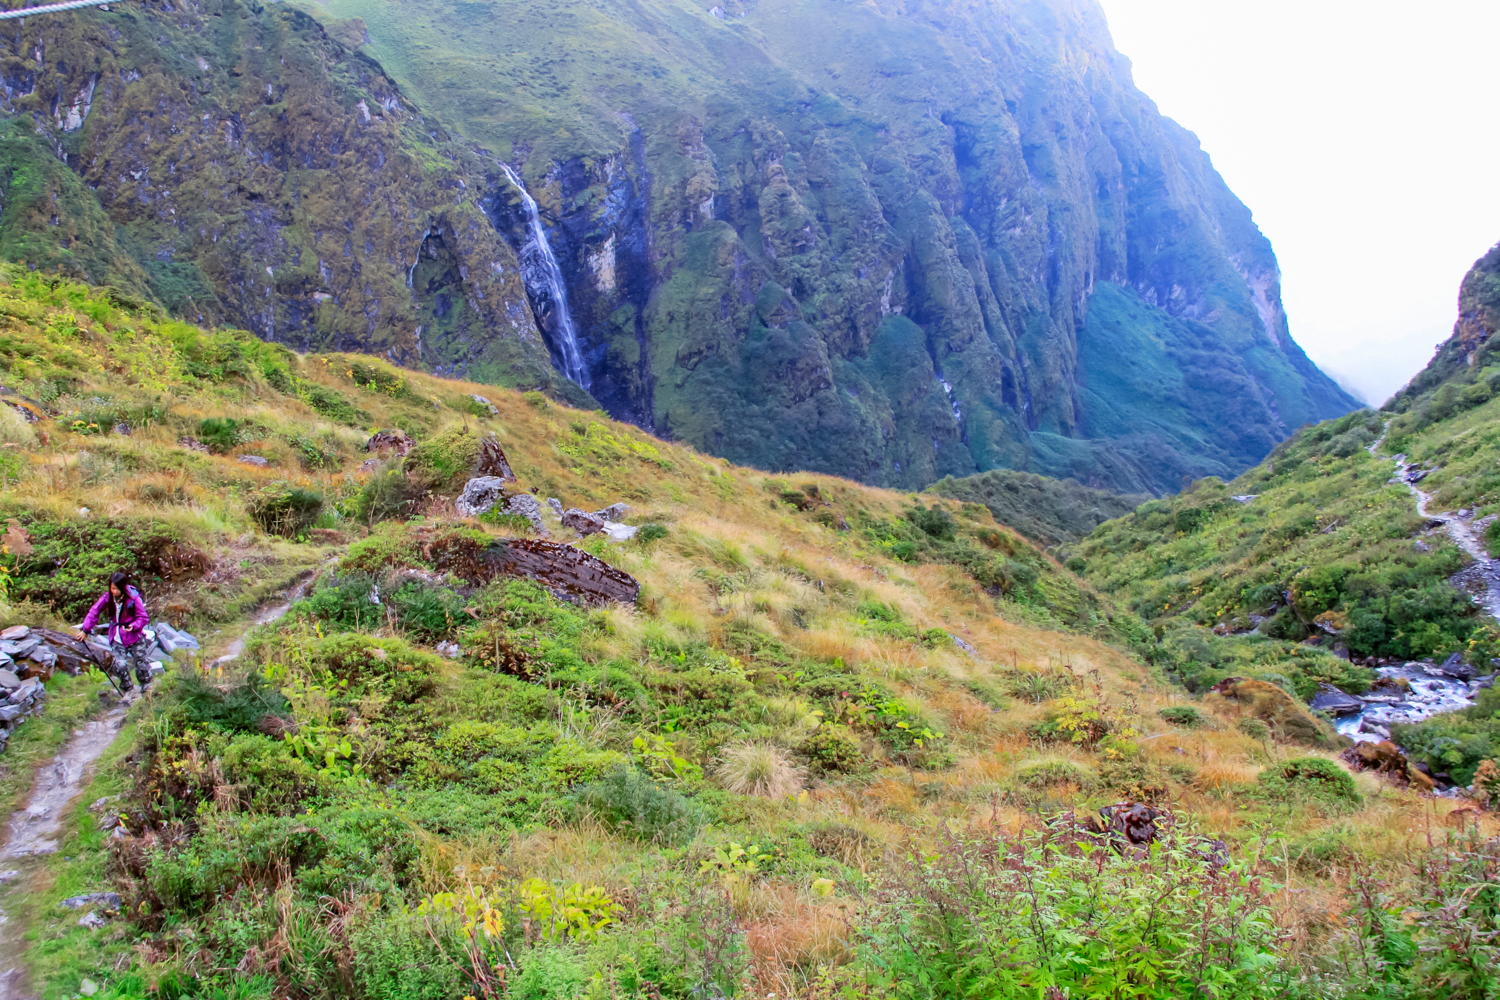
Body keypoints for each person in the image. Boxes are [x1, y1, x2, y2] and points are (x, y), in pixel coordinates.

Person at [75, 572, 152, 693]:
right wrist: (86, 629)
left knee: (141, 664)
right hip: (117, 636)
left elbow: (143, 618)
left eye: (116, 589)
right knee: (120, 665)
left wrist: (133, 626)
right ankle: (128, 690)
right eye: (112, 588)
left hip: (134, 637)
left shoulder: (133, 598)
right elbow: (94, 611)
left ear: (122, 587)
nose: (113, 591)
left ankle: (146, 688)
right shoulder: (107, 597)